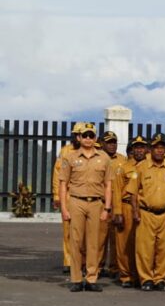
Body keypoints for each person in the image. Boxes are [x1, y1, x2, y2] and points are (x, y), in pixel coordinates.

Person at [58, 123, 114, 292]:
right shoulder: (70, 157)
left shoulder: (104, 158)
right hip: (76, 202)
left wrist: (107, 208)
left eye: (91, 136)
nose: (88, 139)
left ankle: (91, 278)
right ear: (79, 138)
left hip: (96, 203)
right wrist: (64, 208)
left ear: (96, 138)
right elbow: (63, 184)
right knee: (75, 241)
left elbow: (108, 186)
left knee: (94, 242)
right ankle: (76, 278)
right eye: (85, 136)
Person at [129, 134, 165, 291]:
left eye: (162, 147)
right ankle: (146, 279)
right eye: (156, 147)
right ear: (151, 149)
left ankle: (160, 278)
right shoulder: (141, 167)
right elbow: (133, 192)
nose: (159, 150)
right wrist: (135, 212)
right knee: (145, 248)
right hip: (146, 213)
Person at [112, 135, 148, 288]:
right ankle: (126, 276)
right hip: (126, 206)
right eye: (136, 147)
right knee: (124, 244)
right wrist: (118, 212)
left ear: (146, 149)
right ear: (132, 149)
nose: (139, 150)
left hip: (143, 208)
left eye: (142, 147)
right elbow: (116, 191)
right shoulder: (123, 168)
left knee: (142, 245)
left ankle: (141, 275)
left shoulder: (149, 167)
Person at [53, 123, 84, 273]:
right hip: (68, 194)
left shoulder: (92, 151)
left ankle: (83, 261)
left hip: (84, 194)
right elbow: (57, 174)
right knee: (68, 230)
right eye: (76, 134)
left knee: (85, 231)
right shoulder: (65, 151)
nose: (79, 137)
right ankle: (69, 261)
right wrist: (57, 195)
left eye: (81, 134)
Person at [99, 131, 124, 279]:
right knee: (100, 239)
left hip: (117, 204)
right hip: (102, 204)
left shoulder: (122, 160)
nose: (112, 145)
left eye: (114, 142)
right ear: (102, 144)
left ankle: (114, 267)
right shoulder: (98, 158)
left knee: (116, 239)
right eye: (109, 142)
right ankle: (99, 266)